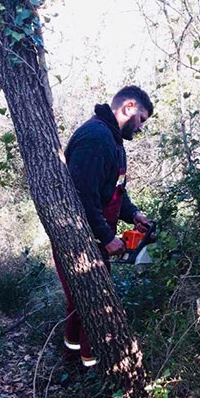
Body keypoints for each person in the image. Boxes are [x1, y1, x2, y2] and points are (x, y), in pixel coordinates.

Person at [55, 85, 153, 367]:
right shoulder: (96, 137)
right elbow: (83, 195)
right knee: (94, 305)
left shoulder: (113, 141)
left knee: (79, 303)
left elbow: (113, 190)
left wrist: (133, 213)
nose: (141, 127)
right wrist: (107, 237)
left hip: (93, 240)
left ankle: (71, 360)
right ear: (129, 107)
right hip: (81, 242)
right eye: (142, 119)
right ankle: (92, 368)